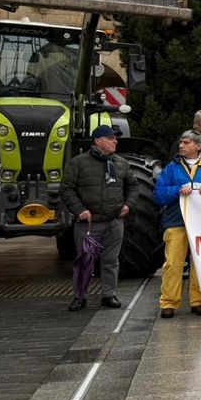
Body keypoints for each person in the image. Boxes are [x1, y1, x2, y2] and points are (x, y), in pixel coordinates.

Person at [154, 130, 201, 318]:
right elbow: (158, 194)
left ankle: (199, 301)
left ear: (198, 146)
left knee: (200, 263)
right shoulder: (172, 168)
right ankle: (169, 302)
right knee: (173, 263)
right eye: (181, 142)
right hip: (176, 221)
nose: (181, 146)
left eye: (186, 143)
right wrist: (177, 190)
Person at [60, 125, 138, 310]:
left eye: (115, 138)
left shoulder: (120, 163)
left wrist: (128, 205)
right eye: (111, 138)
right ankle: (80, 296)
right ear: (97, 141)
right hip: (88, 223)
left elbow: (133, 186)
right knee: (85, 260)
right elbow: (67, 189)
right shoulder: (78, 163)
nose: (115, 141)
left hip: (114, 222)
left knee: (111, 260)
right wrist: (79, 210)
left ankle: (109, 295)